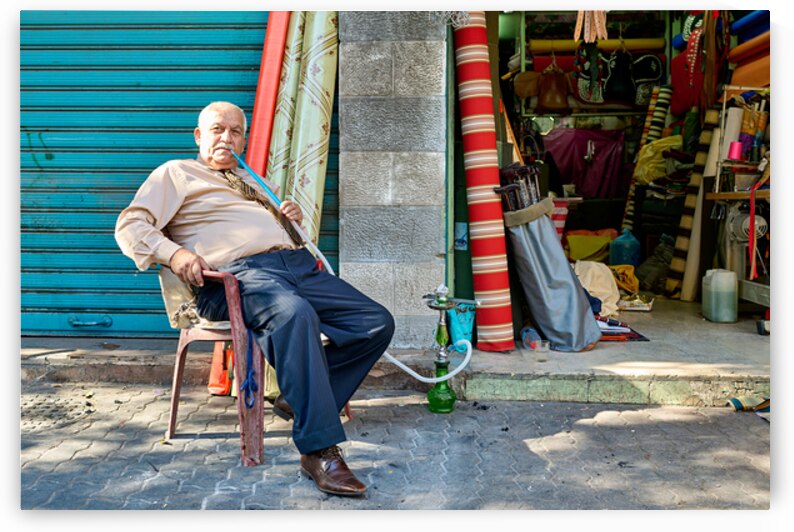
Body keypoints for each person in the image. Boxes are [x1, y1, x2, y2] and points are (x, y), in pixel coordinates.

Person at [115, 101, 395, 497]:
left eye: (235, 132)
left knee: (375, 321)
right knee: (295, 315)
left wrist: (291, 223)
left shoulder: (255, 181)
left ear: (244, 138)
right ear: (199, 136)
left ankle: (301, 400)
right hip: (234, 277)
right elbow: (129, 225)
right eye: (217, 130)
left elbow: (281, 237)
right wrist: (175, 254)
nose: (226, 139)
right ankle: (319, 450)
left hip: (295, 267)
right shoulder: (176, 173)